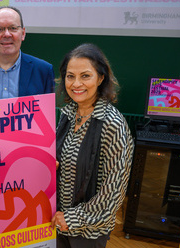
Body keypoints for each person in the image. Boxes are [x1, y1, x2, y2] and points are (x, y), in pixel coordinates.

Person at [51, 43, 134, 248]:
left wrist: (71, 219)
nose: (76, 83)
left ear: (101, 78)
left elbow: (113, 193)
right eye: (70, 76)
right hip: (57, 220)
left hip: (88, 231)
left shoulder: (113, 125)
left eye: (85, 76)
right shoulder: (68, 114)